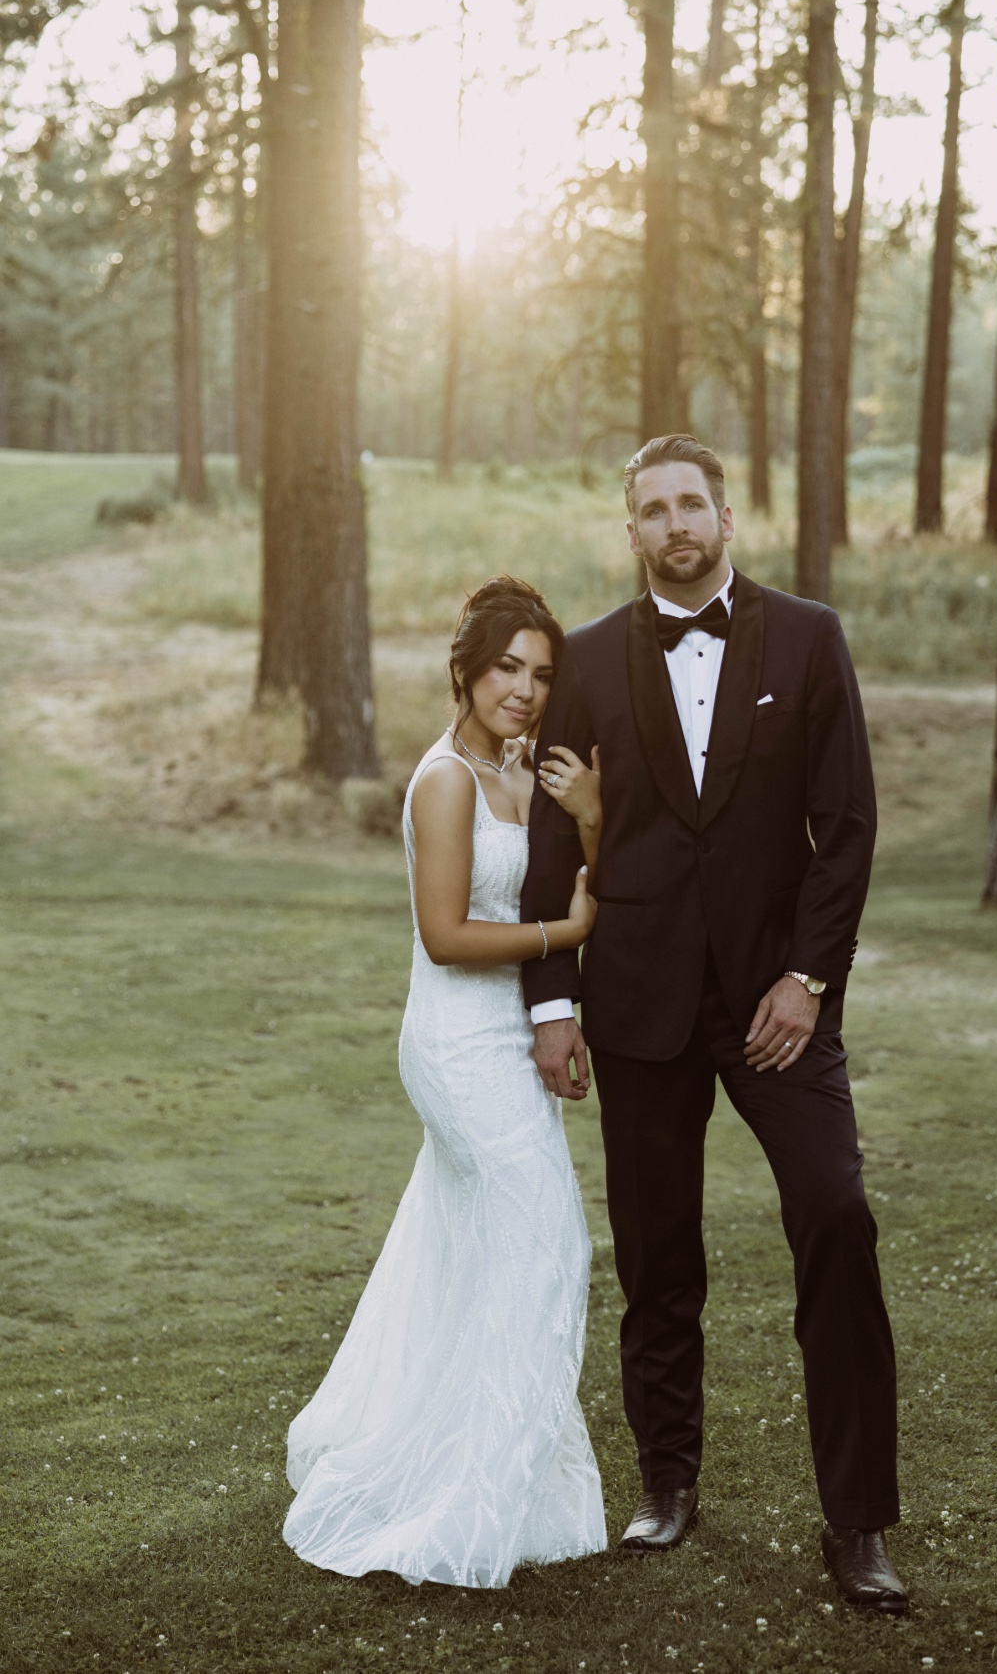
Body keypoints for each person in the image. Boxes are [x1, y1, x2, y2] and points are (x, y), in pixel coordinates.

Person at [521, 435, 908, 1614]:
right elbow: (554, 836)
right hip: (638, 998)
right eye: (653, 509)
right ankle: (667, 1482)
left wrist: (809, 980)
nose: (676, 522)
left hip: (775, 1003)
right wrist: (553, 1002)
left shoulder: (808, 637)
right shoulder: (585, 661)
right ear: (631, 531)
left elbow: (844, 827)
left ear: (728, 516)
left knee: (836, 1220)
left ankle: (858, 1524)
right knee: (656, 1255)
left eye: (693, 502)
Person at [284, 576, 607, 1588]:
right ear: (466, 671)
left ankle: (493, 1473)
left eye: (542, 673)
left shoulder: (517, 770)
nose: (524, 687)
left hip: (508, 1036)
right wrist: (570, 934)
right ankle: (469, 1492)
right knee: (543, 1239)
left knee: (483, 1257)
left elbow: (577, 873)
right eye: (507, 666)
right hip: (459, 1045)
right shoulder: (445, 781)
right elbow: (448, 934)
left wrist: (591, 823)